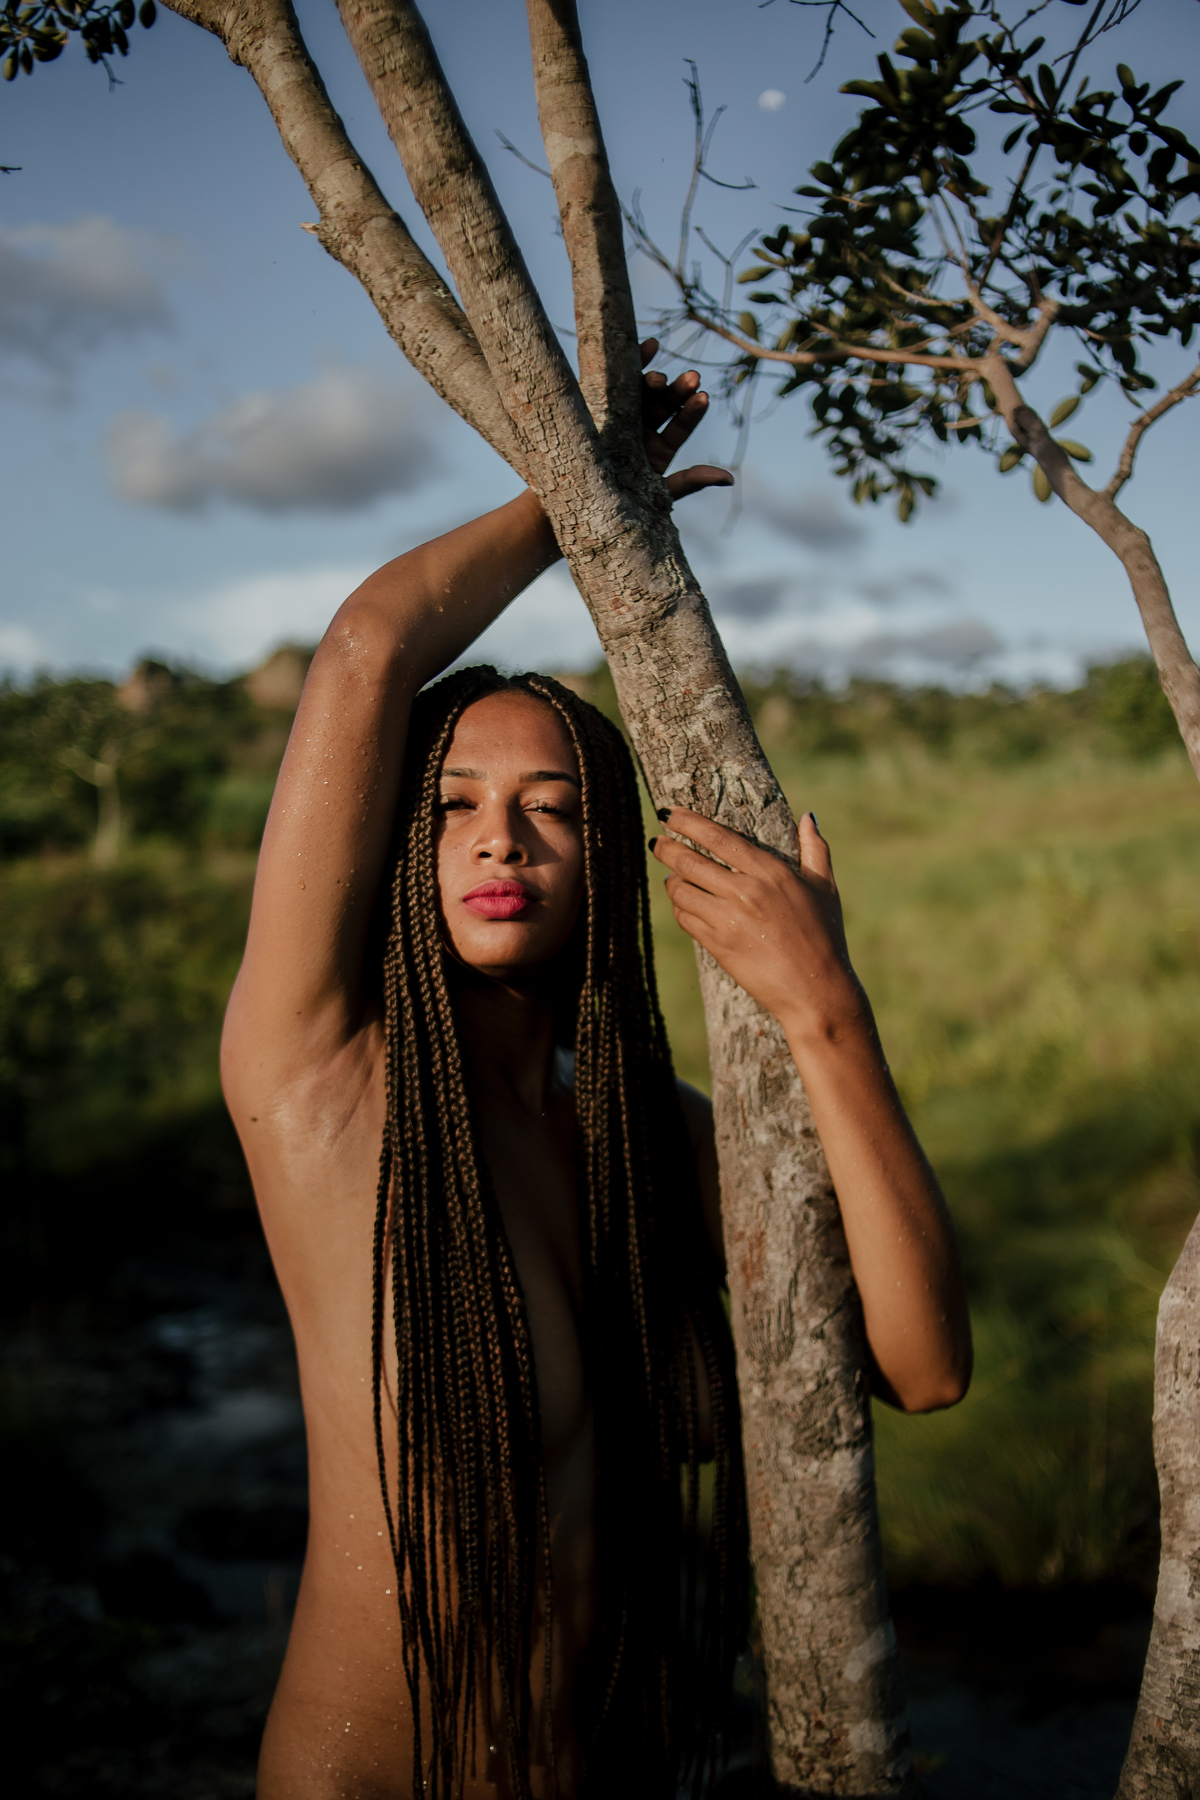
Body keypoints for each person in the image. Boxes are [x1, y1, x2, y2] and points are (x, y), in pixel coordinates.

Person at [221, 349, 971, 1800]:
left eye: (552, 810)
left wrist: (826, 1012)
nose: (502, 841)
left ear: (608, 860)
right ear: (402, 851)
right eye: (455, 809)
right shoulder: (320, 1082)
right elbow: (370, 652)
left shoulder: (643, 1138)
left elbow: (925, 1369)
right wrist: (582, 495)